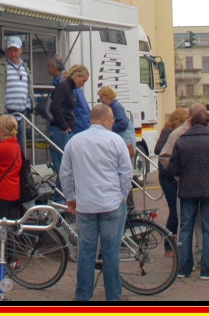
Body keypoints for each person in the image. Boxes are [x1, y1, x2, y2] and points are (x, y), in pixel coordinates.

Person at [59, 103, 133, 302]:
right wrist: (123, 195)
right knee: (111, 252)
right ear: (104, 120)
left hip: (86, 205)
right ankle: (114, 298)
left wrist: (70, 198)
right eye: (112, 120)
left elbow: (65, 173)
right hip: (112, 203)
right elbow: (126, 172)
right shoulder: (116, 140)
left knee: (86, 251)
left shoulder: (75, 141)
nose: (113, 122)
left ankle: (82, 296)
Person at [168, 107, 209, 280]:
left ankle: (183, 268)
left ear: (191, 122)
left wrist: (183, 174)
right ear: (208, 122)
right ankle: (207, 269)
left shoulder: (181, 140)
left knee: (186, 228)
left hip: (187, 189)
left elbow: (172, 167)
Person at [0, 36, 34, 143]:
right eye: (10, 50)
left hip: (22, 113)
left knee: (20, 147)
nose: (12, 53)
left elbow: (28, 88)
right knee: (2, 145)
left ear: (21, 50)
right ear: (6, 51)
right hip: (5, 113)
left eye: (15, 50)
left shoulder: (25, 67)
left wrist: (28, 106)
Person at [155, 107, 189, 237]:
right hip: (168, 176)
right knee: (174, 210)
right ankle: (169, 242)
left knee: (178, 210)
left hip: (175, 175)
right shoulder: (168, 132)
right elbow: (158, 149)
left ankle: (175, 238)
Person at [48, 64, 82, 184]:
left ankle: (60, 195)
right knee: (67, 165)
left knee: (66, 165)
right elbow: (55, 106)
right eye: (83, 81)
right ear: (77, 77)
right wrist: (64, 126)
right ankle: (59, 197)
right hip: (60, 129)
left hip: (64, 128)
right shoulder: (64, 86)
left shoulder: (69, 88)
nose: (83, 84)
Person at [48, 54, 90, 134]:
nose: (47, 68)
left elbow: (62, 106)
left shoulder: (66, 84)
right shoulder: (68, 85)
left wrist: (65, 126)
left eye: (48, 66)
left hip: (74, 125)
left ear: (54, 67)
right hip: (76, 124)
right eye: (83, 81)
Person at [98, 86, 135, 155]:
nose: (100, 100)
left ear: (107, 96)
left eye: (101, 97)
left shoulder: (116, 107)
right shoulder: (115, 106)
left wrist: (108, 127)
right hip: (125, 139)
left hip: (125, 141)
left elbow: (123, 123)